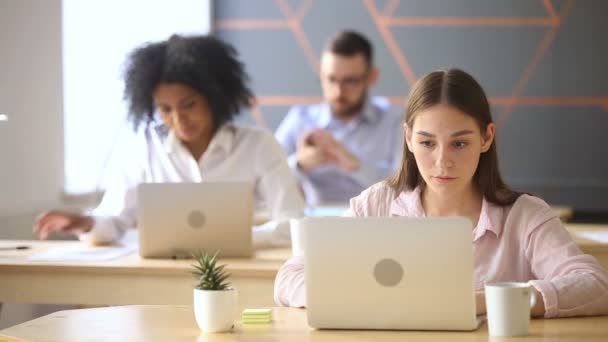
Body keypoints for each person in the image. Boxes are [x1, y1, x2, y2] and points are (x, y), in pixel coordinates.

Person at [274, 68, 608, 317]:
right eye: (427, 143)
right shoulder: (375, 205)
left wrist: (479, 301)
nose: (442, 161)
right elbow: (290, 277)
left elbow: (594, 286)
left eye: (460, 143)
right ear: (407, 138)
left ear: (487, 138)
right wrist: (356, 297)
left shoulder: (525, 216)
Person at [34, 34, 305, 247]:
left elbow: (293, 225)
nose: (178, 119)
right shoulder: (144, 148)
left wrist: (236, 240)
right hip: (161, 277)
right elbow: (114, 221)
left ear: (215, 97)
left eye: (189, 105)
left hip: (236, 277)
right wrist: (84, 223)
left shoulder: (258, 146)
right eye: (165, 109)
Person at [274, 30, 403, 205]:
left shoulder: (395, 122)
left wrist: (356, 166)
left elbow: (406, 188)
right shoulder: (299, 119)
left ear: (372, 77)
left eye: (350, 81)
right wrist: (299, 164)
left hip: (376, 224)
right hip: (313, 226)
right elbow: (266, 179)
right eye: (331, 79)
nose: (338, 92)